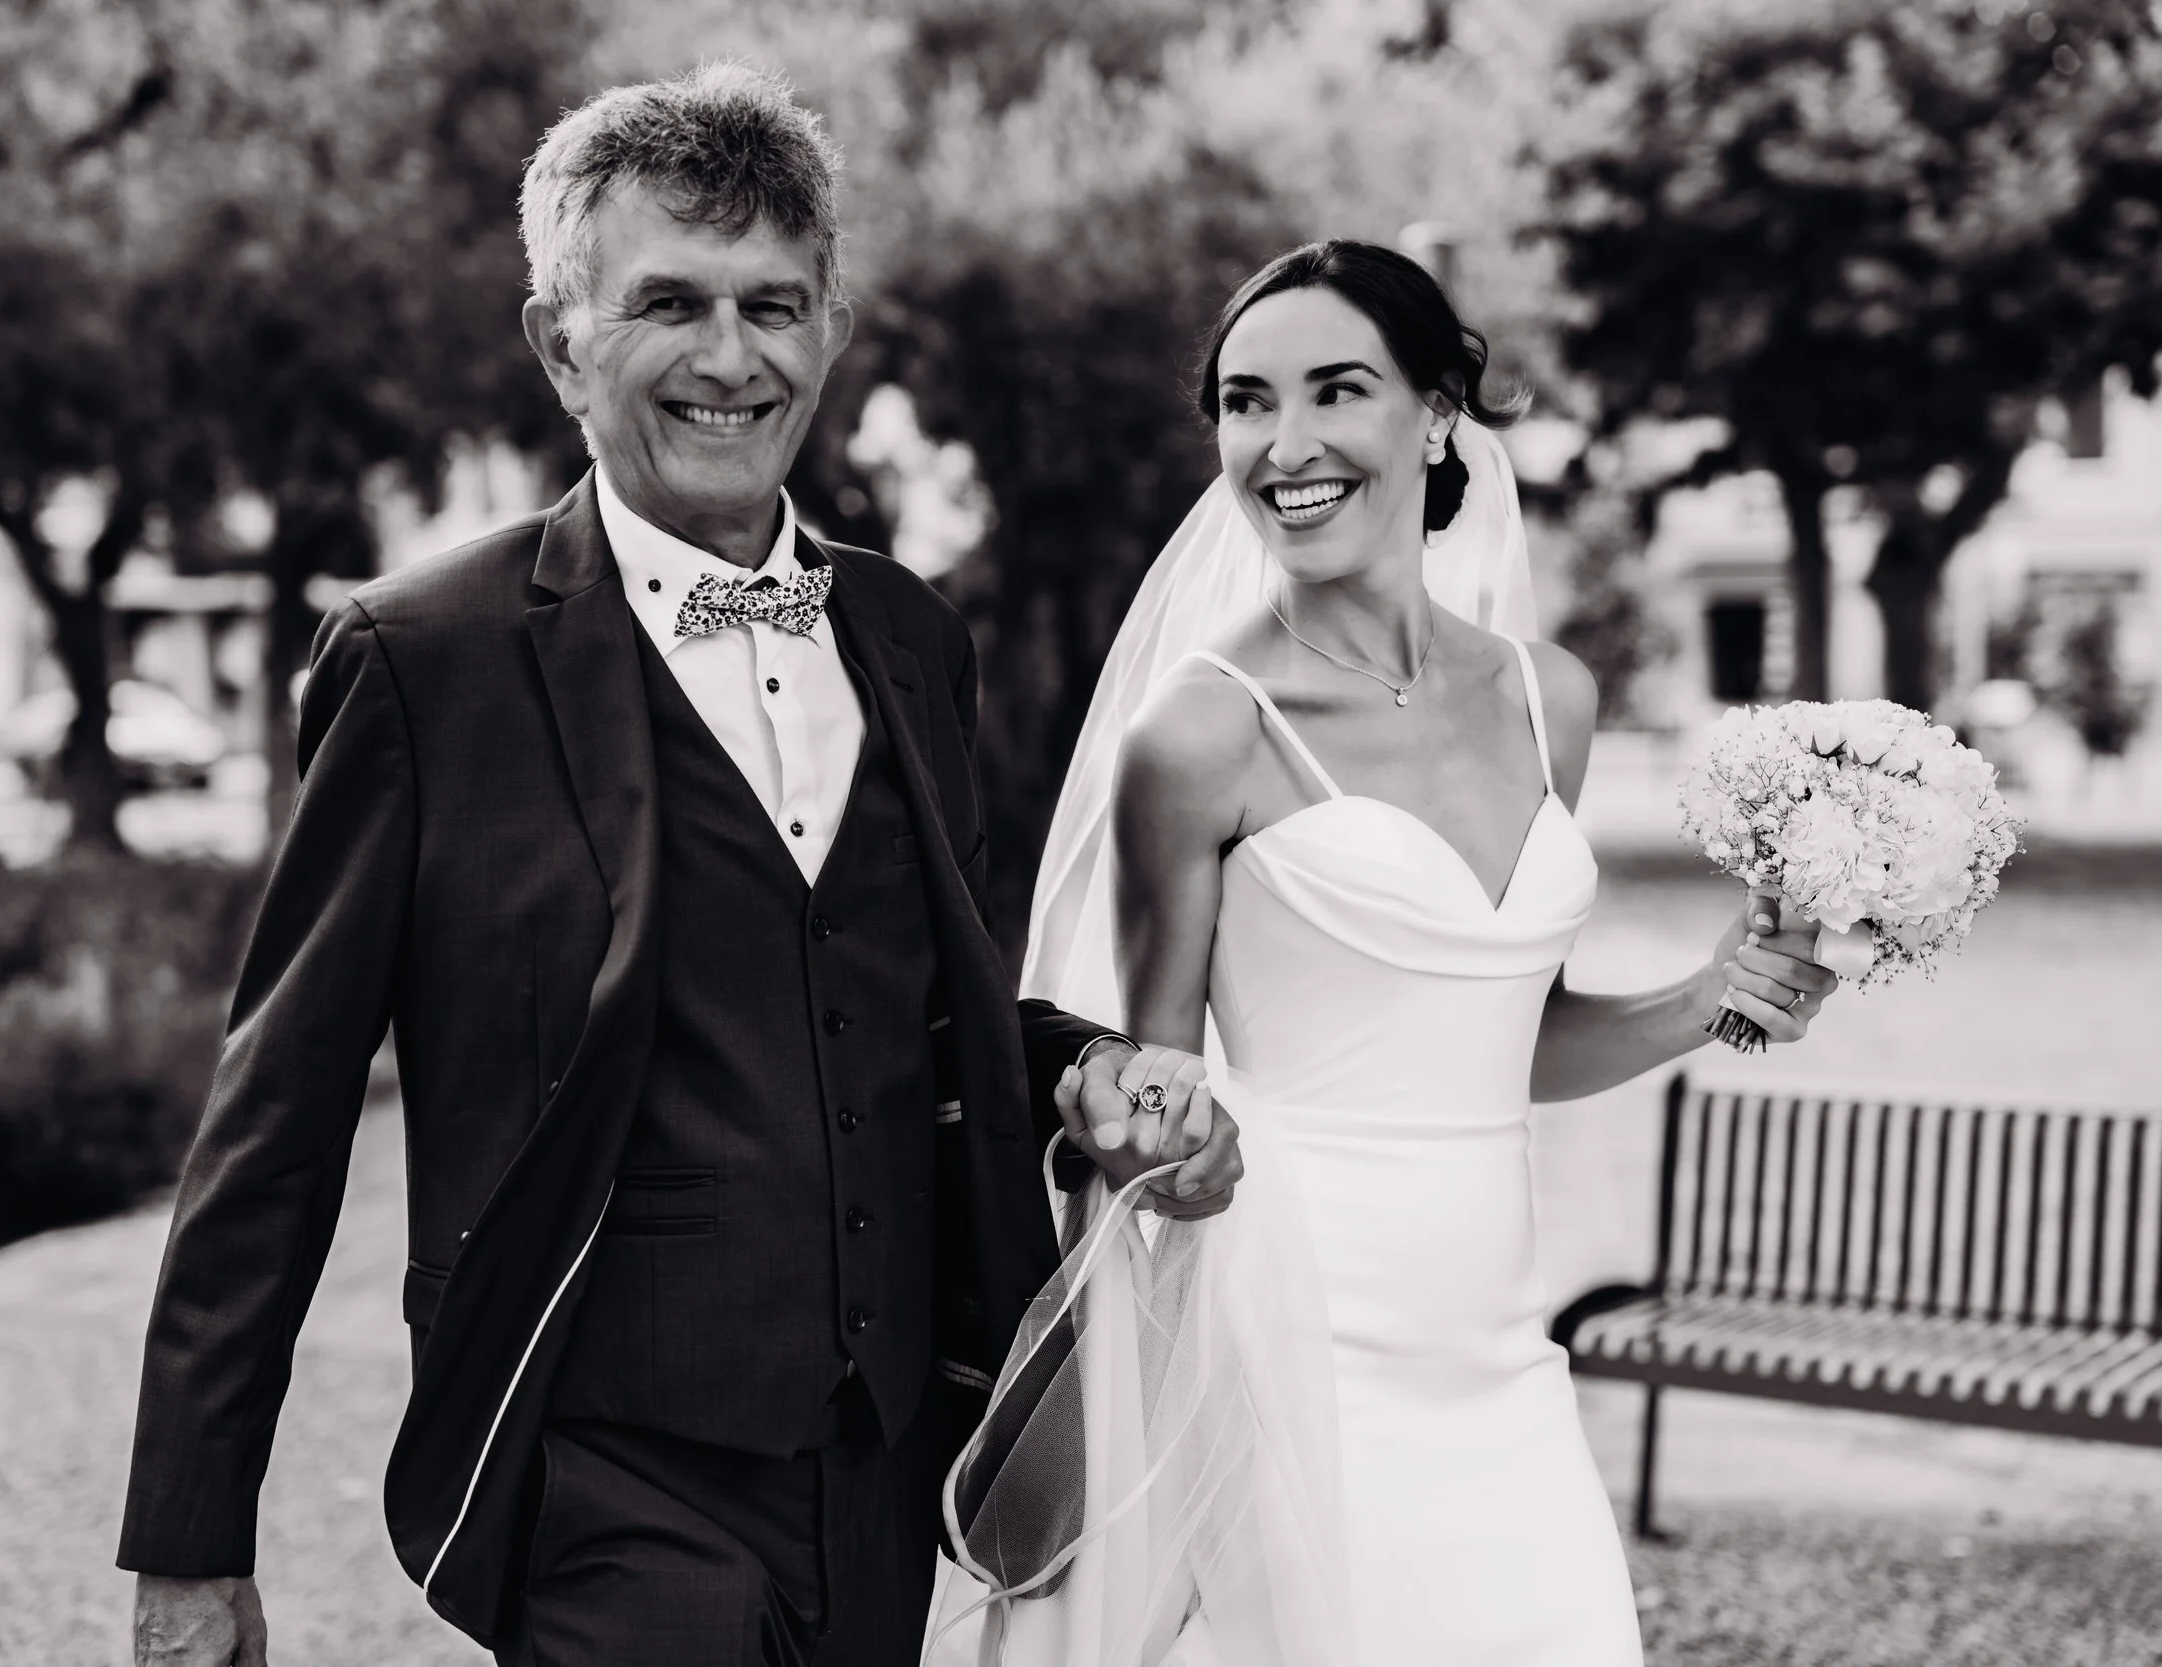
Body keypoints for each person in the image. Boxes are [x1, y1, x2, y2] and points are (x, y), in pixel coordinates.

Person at [117, 64, 1240, 1667]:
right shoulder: (421, 659)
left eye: (774, 305)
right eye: (670, 304)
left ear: (833, 332)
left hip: (884, 1462)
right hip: (598, 1466)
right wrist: (189, 1538)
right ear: (559, 343)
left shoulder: (913, 639)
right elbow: (277, 1114)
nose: (733, 357)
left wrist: (1097, 1076)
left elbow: (927, 1017)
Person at [962, 240, 1840, 1666]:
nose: (1284, 444)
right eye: (1249, 403)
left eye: (1336, 391)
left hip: (1501, 1341)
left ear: (1436, 416)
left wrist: (1708, 998)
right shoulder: (1202, 732)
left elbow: (1514, 1033)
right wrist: (1139, 1141)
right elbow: (1150, 1078)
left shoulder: (1549, 696)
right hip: (1294, 1331)